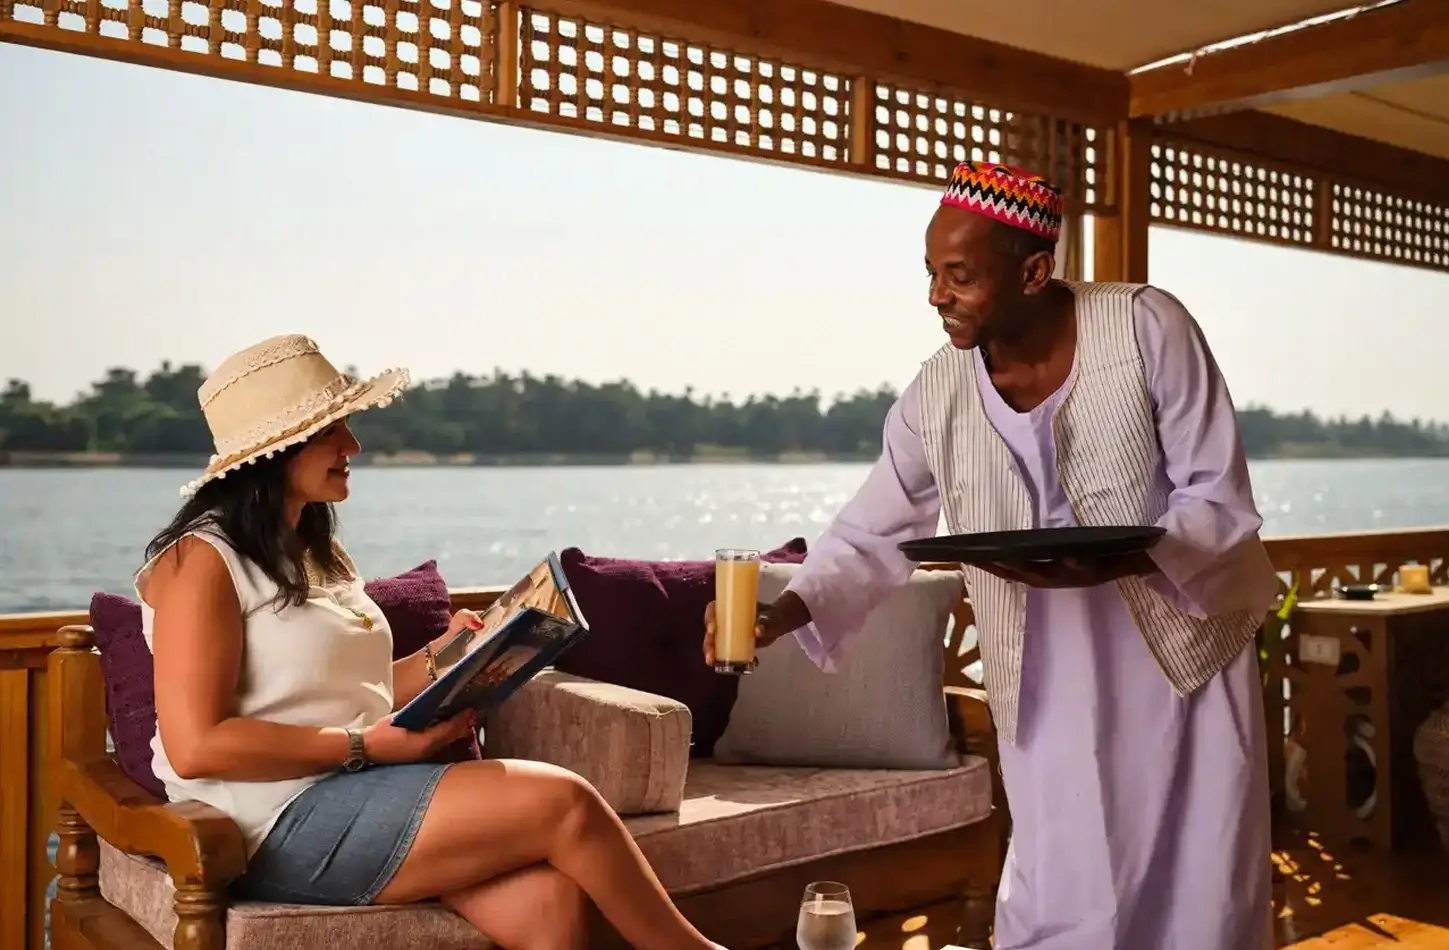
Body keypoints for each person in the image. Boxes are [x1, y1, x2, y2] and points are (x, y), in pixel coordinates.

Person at [704, 162, 1278, 950]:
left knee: (1196, 898)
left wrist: (1125, 560)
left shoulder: (1146, 326)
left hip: (1180, 665)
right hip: (1045, 679)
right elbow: (871, 532)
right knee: (1060, 891)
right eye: (932, 274)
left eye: (959, 275)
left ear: (1036, 271)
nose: (936, 295)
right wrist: (781, 614)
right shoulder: (934, 394)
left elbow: (1216, 493)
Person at [141, 333, 727, 950]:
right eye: (332, 431)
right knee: (565, 803)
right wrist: (367, 745)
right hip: (266, 823)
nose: (353, 446)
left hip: (351, 790)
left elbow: (347, 691)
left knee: (549, 908)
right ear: (275, 451)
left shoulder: (312, 548)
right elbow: (196, 746)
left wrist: (451, 654)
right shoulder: (200, 561)